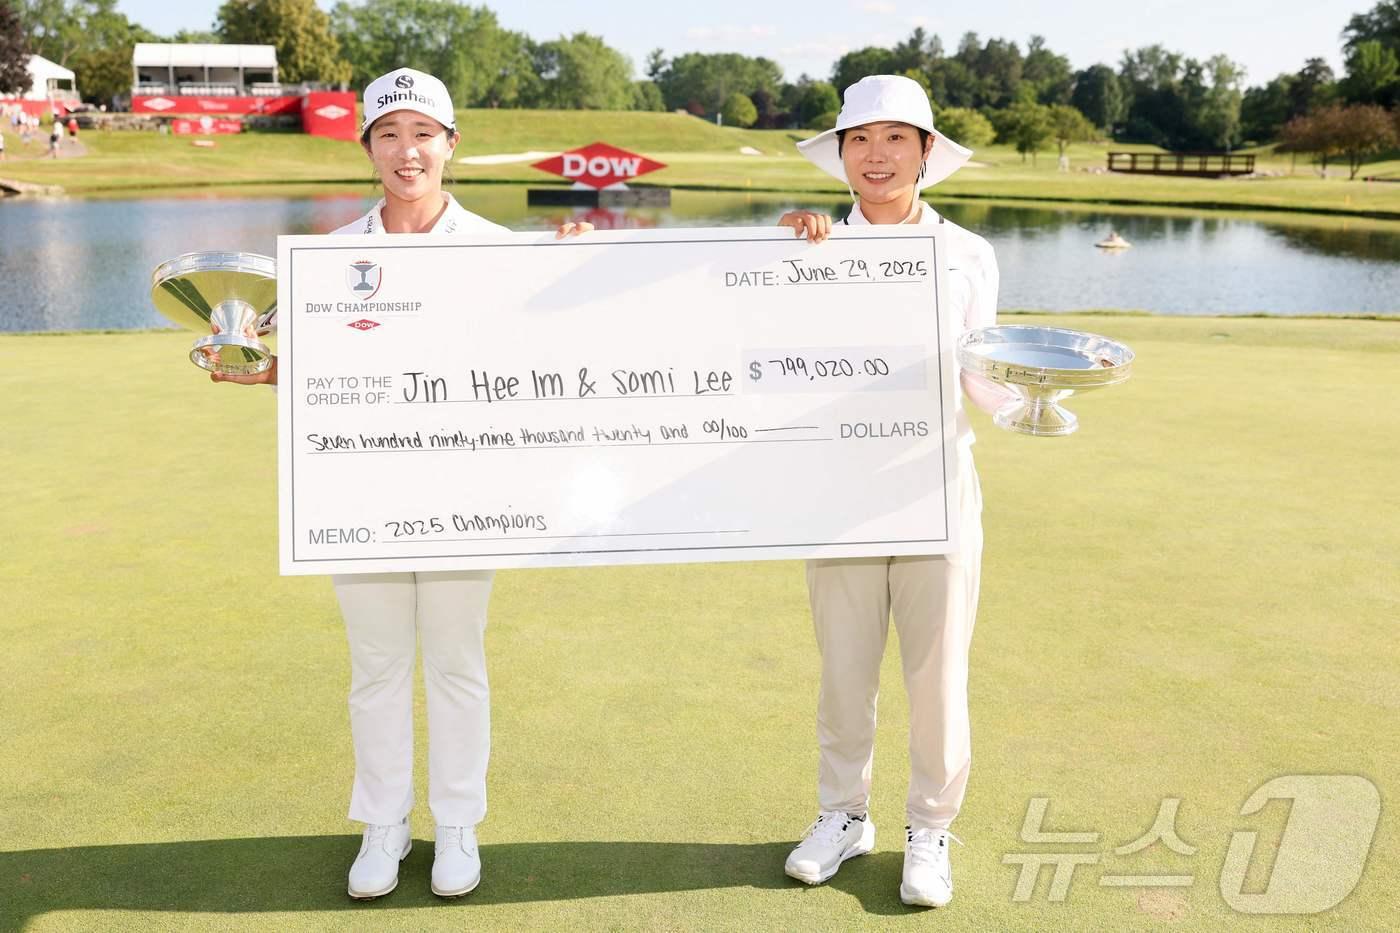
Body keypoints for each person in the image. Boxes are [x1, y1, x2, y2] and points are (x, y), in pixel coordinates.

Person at [210, 66, 589, 901]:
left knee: (456, 660)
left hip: (464, 493)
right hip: (362, 493)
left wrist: (569, 273)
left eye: (423, 133)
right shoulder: (328, 259)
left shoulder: (501, 251)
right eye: (389, 134)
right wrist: (258, 373)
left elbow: (545, 361)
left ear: (452, 143)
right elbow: (321, 374)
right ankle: (385, 823)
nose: (406, 150)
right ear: (368, 148)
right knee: (376, 665)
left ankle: (457, 822)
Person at [775, 74, 1016, 909]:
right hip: (834, 499)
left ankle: (929, 828)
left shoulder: (968, 254)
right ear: (840, 154)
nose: (876, 156)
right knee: (844, 674)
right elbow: (763, 362)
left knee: (937, 676)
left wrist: (1030, 398)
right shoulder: (802, 247)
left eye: (895, 140)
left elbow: (979, 376)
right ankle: (842, 815)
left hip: (934, 491)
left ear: (924, 152)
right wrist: (782, 262)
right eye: (860, 141)